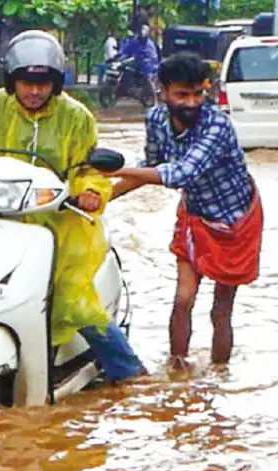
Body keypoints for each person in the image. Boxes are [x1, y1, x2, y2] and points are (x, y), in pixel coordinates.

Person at [0, 30, 146, 396]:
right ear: (12, 81)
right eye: (26, 83)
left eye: (43, 83)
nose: (34, 91)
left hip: (58, 227)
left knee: (75, 303)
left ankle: (131, 377)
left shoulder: (77, 117)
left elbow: (88, 166)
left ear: (56, 84)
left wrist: (89, 191)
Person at [106, 52, 263, 368]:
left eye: (198, 94)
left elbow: (179, 174)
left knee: (221, 309)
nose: (191, 103)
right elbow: (150, 167)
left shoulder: (217, 125)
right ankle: (178, 373)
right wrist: (102, 197)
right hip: (194, 215)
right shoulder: (155, 120)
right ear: (162, 91)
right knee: (182, 299)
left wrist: (114, 172)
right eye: (181, 94)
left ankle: (220, 377)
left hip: (235, 222)